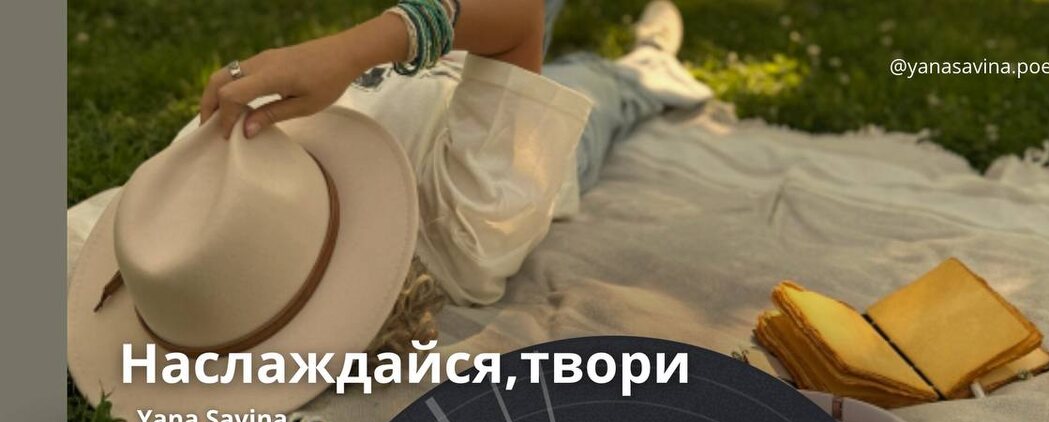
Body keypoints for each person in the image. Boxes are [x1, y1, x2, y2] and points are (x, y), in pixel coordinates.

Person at [198, 0, 713, 310]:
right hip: (513, 136)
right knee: (604, 88)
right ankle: (648, 63)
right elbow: (520, 17)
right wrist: (349, 50)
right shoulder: (460, 234)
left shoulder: (219, 160)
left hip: (439, 56)